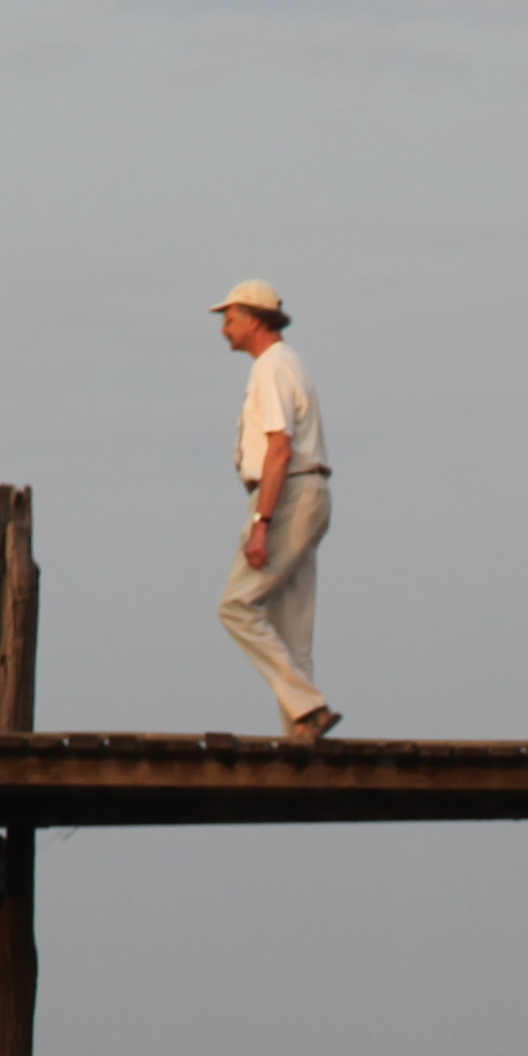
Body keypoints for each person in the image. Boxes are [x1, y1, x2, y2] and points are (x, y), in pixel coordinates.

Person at [209, 280, 335, 744]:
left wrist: (262, 524)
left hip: (287, 494)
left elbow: (279, 448)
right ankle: (305, 733)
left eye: (231, 318)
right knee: (291, 627)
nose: (224, 328)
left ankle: (308, 706)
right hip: (308, 492)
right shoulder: (289, 363)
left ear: (256, 319)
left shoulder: (272, 367)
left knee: (237, 606)